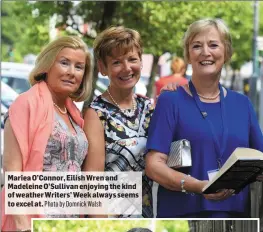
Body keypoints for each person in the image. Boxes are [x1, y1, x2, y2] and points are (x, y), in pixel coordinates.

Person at [145, 18, 263, 218]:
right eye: (197, 46)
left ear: (226, 52)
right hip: (183, 217)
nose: (205, 52)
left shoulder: (242, 105)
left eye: (213, 45)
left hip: (235, 217)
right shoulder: (171, 101)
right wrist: (198, 186)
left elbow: (259, 159)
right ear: (188, 55)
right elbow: (153, 165)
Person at [1, 36, 93, 231]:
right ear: (47, 65)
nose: (71, 72)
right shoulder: (26, 103)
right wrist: (23, 226)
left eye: (79, 67)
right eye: (64, 63)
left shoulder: (73, 113)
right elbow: (12, 171)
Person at [82, 26, 154, 218]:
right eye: (116, 62)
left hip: (147, 213)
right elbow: (92, 180)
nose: (127, 68)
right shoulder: (96, 114)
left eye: (132, 59)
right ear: (103, 68)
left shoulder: (149, 107)